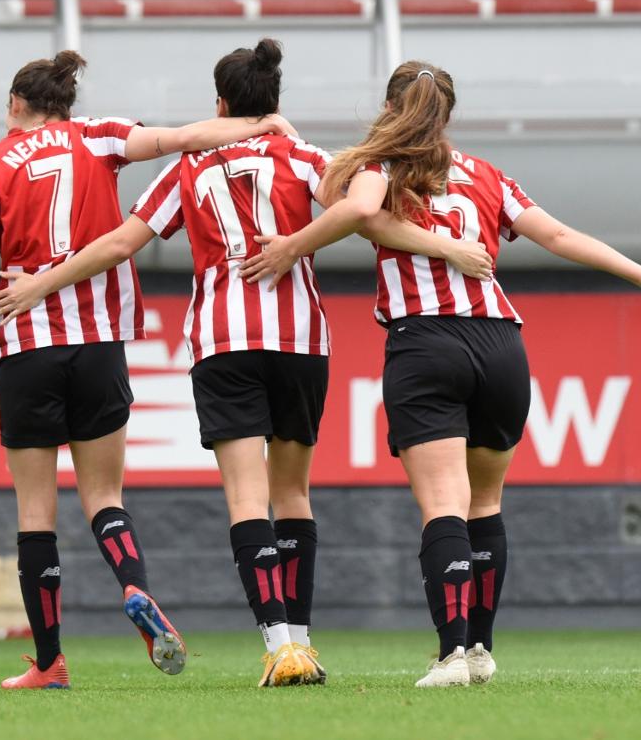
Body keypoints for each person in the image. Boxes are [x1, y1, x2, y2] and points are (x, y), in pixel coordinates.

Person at [0, 40, 492, 687]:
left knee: (246, 496)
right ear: (274, 105)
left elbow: (120, 243)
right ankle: (304, 643)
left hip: (223, 341)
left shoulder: (188, 170)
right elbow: (357, 211)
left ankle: (279, 647)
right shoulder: (305, 156)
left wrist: (41, 282)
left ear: (221, 105)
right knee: (293, 494)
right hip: (301, 340)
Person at [239, 60, 641, 687]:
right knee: (486, 502)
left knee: (443, 506)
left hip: (427, 341)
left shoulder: (378, 170)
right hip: (502, 343)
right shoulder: (486, 175)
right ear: (448, 113)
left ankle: (452, 653)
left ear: (391, 107)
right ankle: (480, 651)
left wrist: (294, 244)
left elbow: (357, 212)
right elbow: (558, 236)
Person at [0, 48, 302, 690]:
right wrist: (260, 125)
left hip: (25, 343)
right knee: (105, 496)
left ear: (15, 106)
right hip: (99, 343)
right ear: (66, 106)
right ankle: (135, 588)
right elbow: (184, 138)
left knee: (35, 511)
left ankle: (49, 662)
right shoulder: (100, 137)